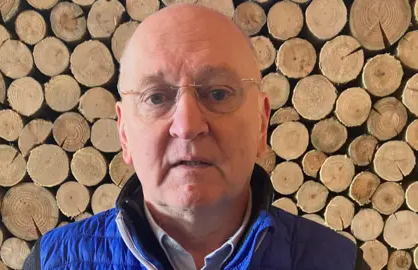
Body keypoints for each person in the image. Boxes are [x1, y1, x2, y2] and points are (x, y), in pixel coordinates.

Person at [24, 4, 365, 270]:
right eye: (156, 97)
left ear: (262, 123)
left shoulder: (339, 263)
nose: (187, 126)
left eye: (218, 94)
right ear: (124, 131)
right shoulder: (51, 262)